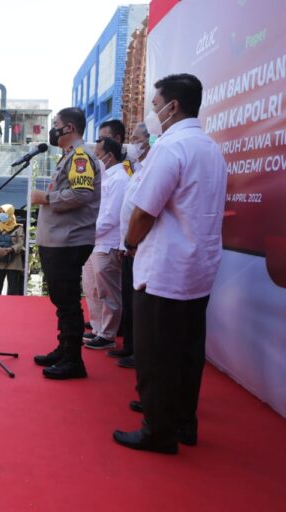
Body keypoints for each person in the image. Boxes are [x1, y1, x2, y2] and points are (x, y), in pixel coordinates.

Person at [114, 74, 226, 454]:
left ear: (173, 106)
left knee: (155, 354)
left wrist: (130, 243)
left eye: (156, 103)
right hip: (199, 268)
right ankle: (182, 422)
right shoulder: (210, 147)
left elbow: (145, 211)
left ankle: (157, 430)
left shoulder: (171, 147)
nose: (153, 111)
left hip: (165, 269)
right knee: (187, 352)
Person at [30, 107, 101, 380]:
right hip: (60, 238)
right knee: (61, 299)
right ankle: (64, 349)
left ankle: (73, 360)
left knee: (68, 300)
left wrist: (45, 199)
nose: (53, 129)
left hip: (69, 239)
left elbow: (81, 194)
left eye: (56, 124)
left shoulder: (80, 156)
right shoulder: (69, 156)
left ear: (69, 127)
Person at [108, 122, 151, 367]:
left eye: (136, 139)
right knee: (128, 300)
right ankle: (130, 347)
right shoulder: (136, 168)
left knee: (139, 303)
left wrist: (132, 241)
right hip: (128, 245)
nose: (132, 144)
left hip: (138, 245)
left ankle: (138, 352)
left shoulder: (151, 167)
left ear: (148, 140)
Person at [84, 137, 129, 350]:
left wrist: (89, 233)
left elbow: (112, 216)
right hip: (95, 241)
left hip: (107, 243)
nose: (96, 158)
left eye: (98, 154)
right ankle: (98, 328)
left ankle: (108, 333)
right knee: (92, 288)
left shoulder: (120, 178)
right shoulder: (106, 177)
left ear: (109, 156)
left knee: (108, 291)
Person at [0, 204, 25, 295]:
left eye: (4, 212)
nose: (2, 214)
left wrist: (10, 249)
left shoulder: (19, 228)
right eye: (1, 212)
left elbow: (21, 243)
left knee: (13, 289)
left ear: (10, 213)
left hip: (14, 262)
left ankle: (12, 308)